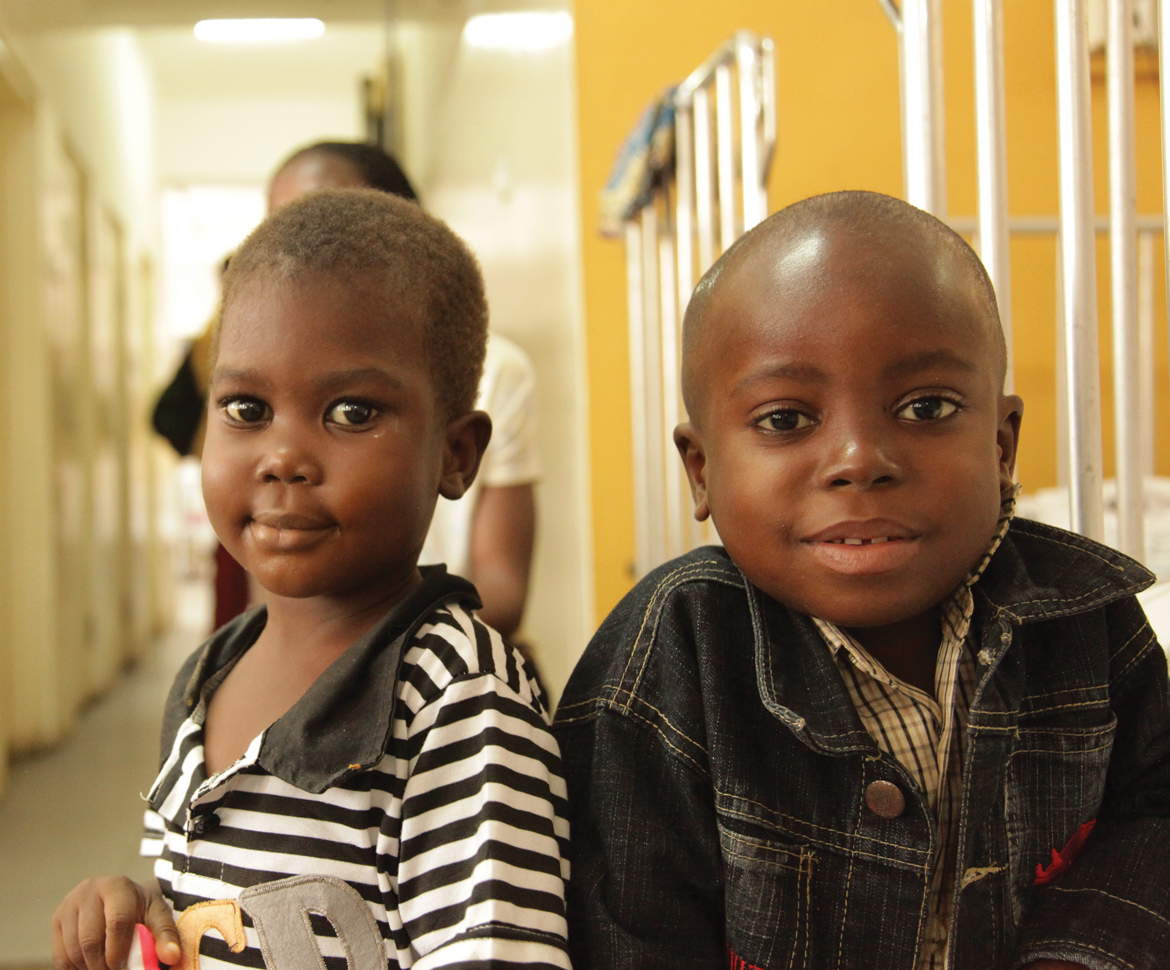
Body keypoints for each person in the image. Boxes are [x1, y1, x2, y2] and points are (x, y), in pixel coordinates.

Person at [552, 190, 1170, 970]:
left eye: (927, 406)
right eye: (785, 419)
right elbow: (627, 928)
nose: (859, 459)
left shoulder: (1084, 617)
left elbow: (1153, 812)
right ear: (701, 469)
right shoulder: (671, 656)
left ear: (1003, 446)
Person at [52, 190, 570, 970]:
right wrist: (139, 911)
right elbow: (204, 911)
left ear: (457, 454)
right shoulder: (208, 676)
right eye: (247, 406)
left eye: (352, 412)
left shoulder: (454, 698)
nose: (282, 455)